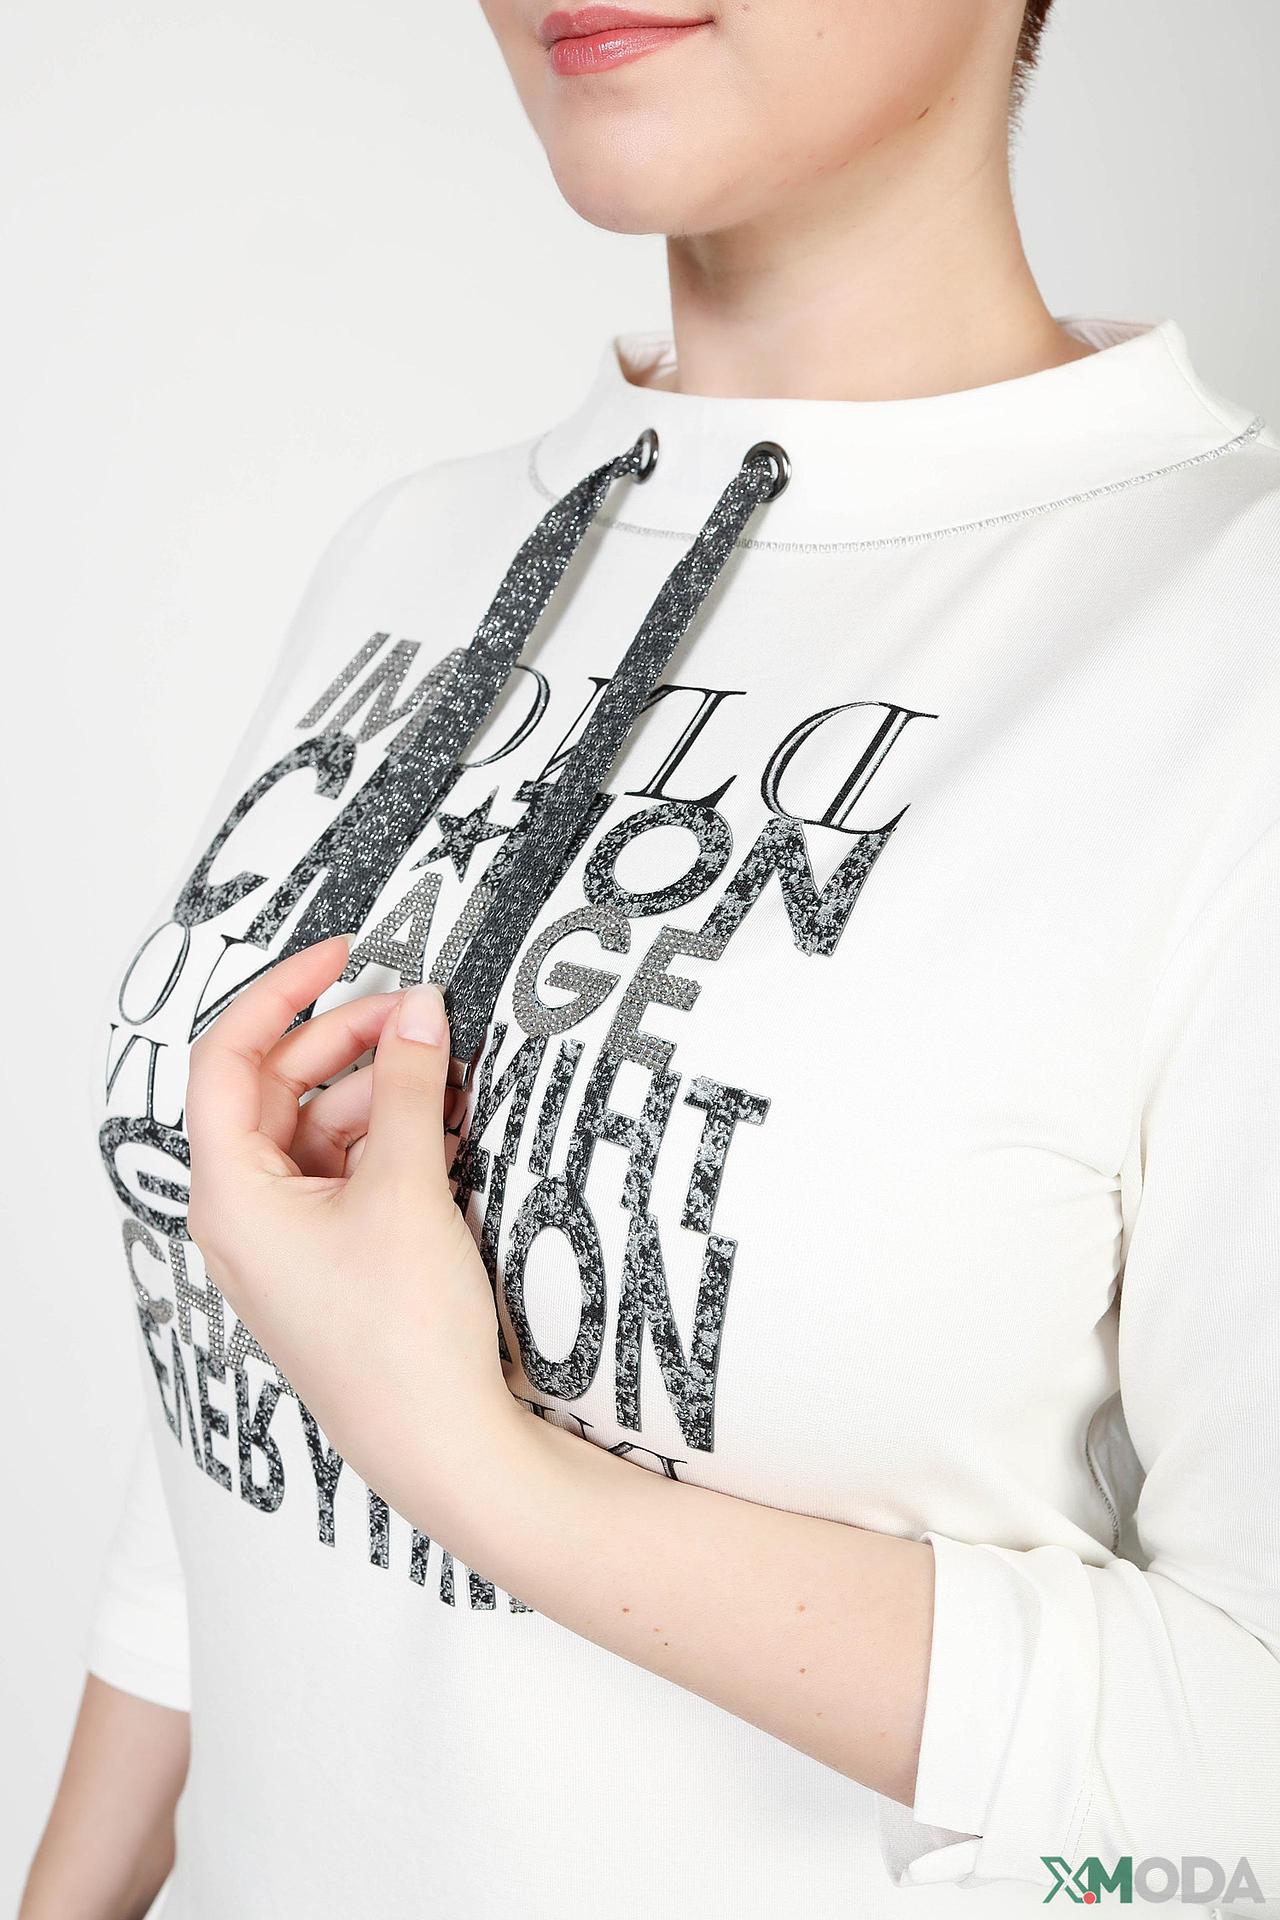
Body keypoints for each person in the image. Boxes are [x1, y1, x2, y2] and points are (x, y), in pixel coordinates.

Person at [21, 2, 1280, 1915]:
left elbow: (1252, 1764)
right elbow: (234, 1407)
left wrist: (475, 1461)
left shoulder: (1228, 642)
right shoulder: (416, 550)